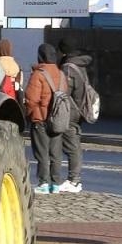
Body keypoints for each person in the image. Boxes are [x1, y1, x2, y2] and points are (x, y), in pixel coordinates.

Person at [25, 42, 68, 194]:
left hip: (41, 119)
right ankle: (55, 184)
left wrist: (31, 114)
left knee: (42, 153)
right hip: (58, 120)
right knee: (56, 154)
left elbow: (31, 99)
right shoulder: (61, 74)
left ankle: (44, 183)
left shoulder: (38, 74)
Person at [56, 39, 92, 193]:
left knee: (72, 146)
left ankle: (74, 180)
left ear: (63, 52)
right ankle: (74, 179)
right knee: (74, 144)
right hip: (79, 110)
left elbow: (64, 92)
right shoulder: (80, 66)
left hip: (71, 111)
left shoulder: (68, 69)